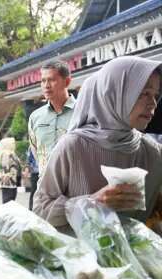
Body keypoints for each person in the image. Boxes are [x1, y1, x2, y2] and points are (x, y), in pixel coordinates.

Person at [34, 56, 162, 231]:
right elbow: (40, 210)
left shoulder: (152, 152)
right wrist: (92, 202)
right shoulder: (73, 147)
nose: (153, 103)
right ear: (115, 93)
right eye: (144, 93)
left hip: (137, 255)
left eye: (155, 95)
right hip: (80, 255)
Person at [28, 60, 77, 176]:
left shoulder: (83, 112)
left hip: (76, 188)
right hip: (45, 188)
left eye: (52, 80)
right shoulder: (35, 117)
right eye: (43, 81)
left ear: (67, 82)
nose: (46, 85)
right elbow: (36, 153)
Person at [0, 137, 22, 203]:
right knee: (8, 202)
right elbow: (5, 168)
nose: (14, 144)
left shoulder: (12, 154)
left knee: (11, 201)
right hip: (8, 182)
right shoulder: (6, 154)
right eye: (13, 143)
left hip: (13, 182)